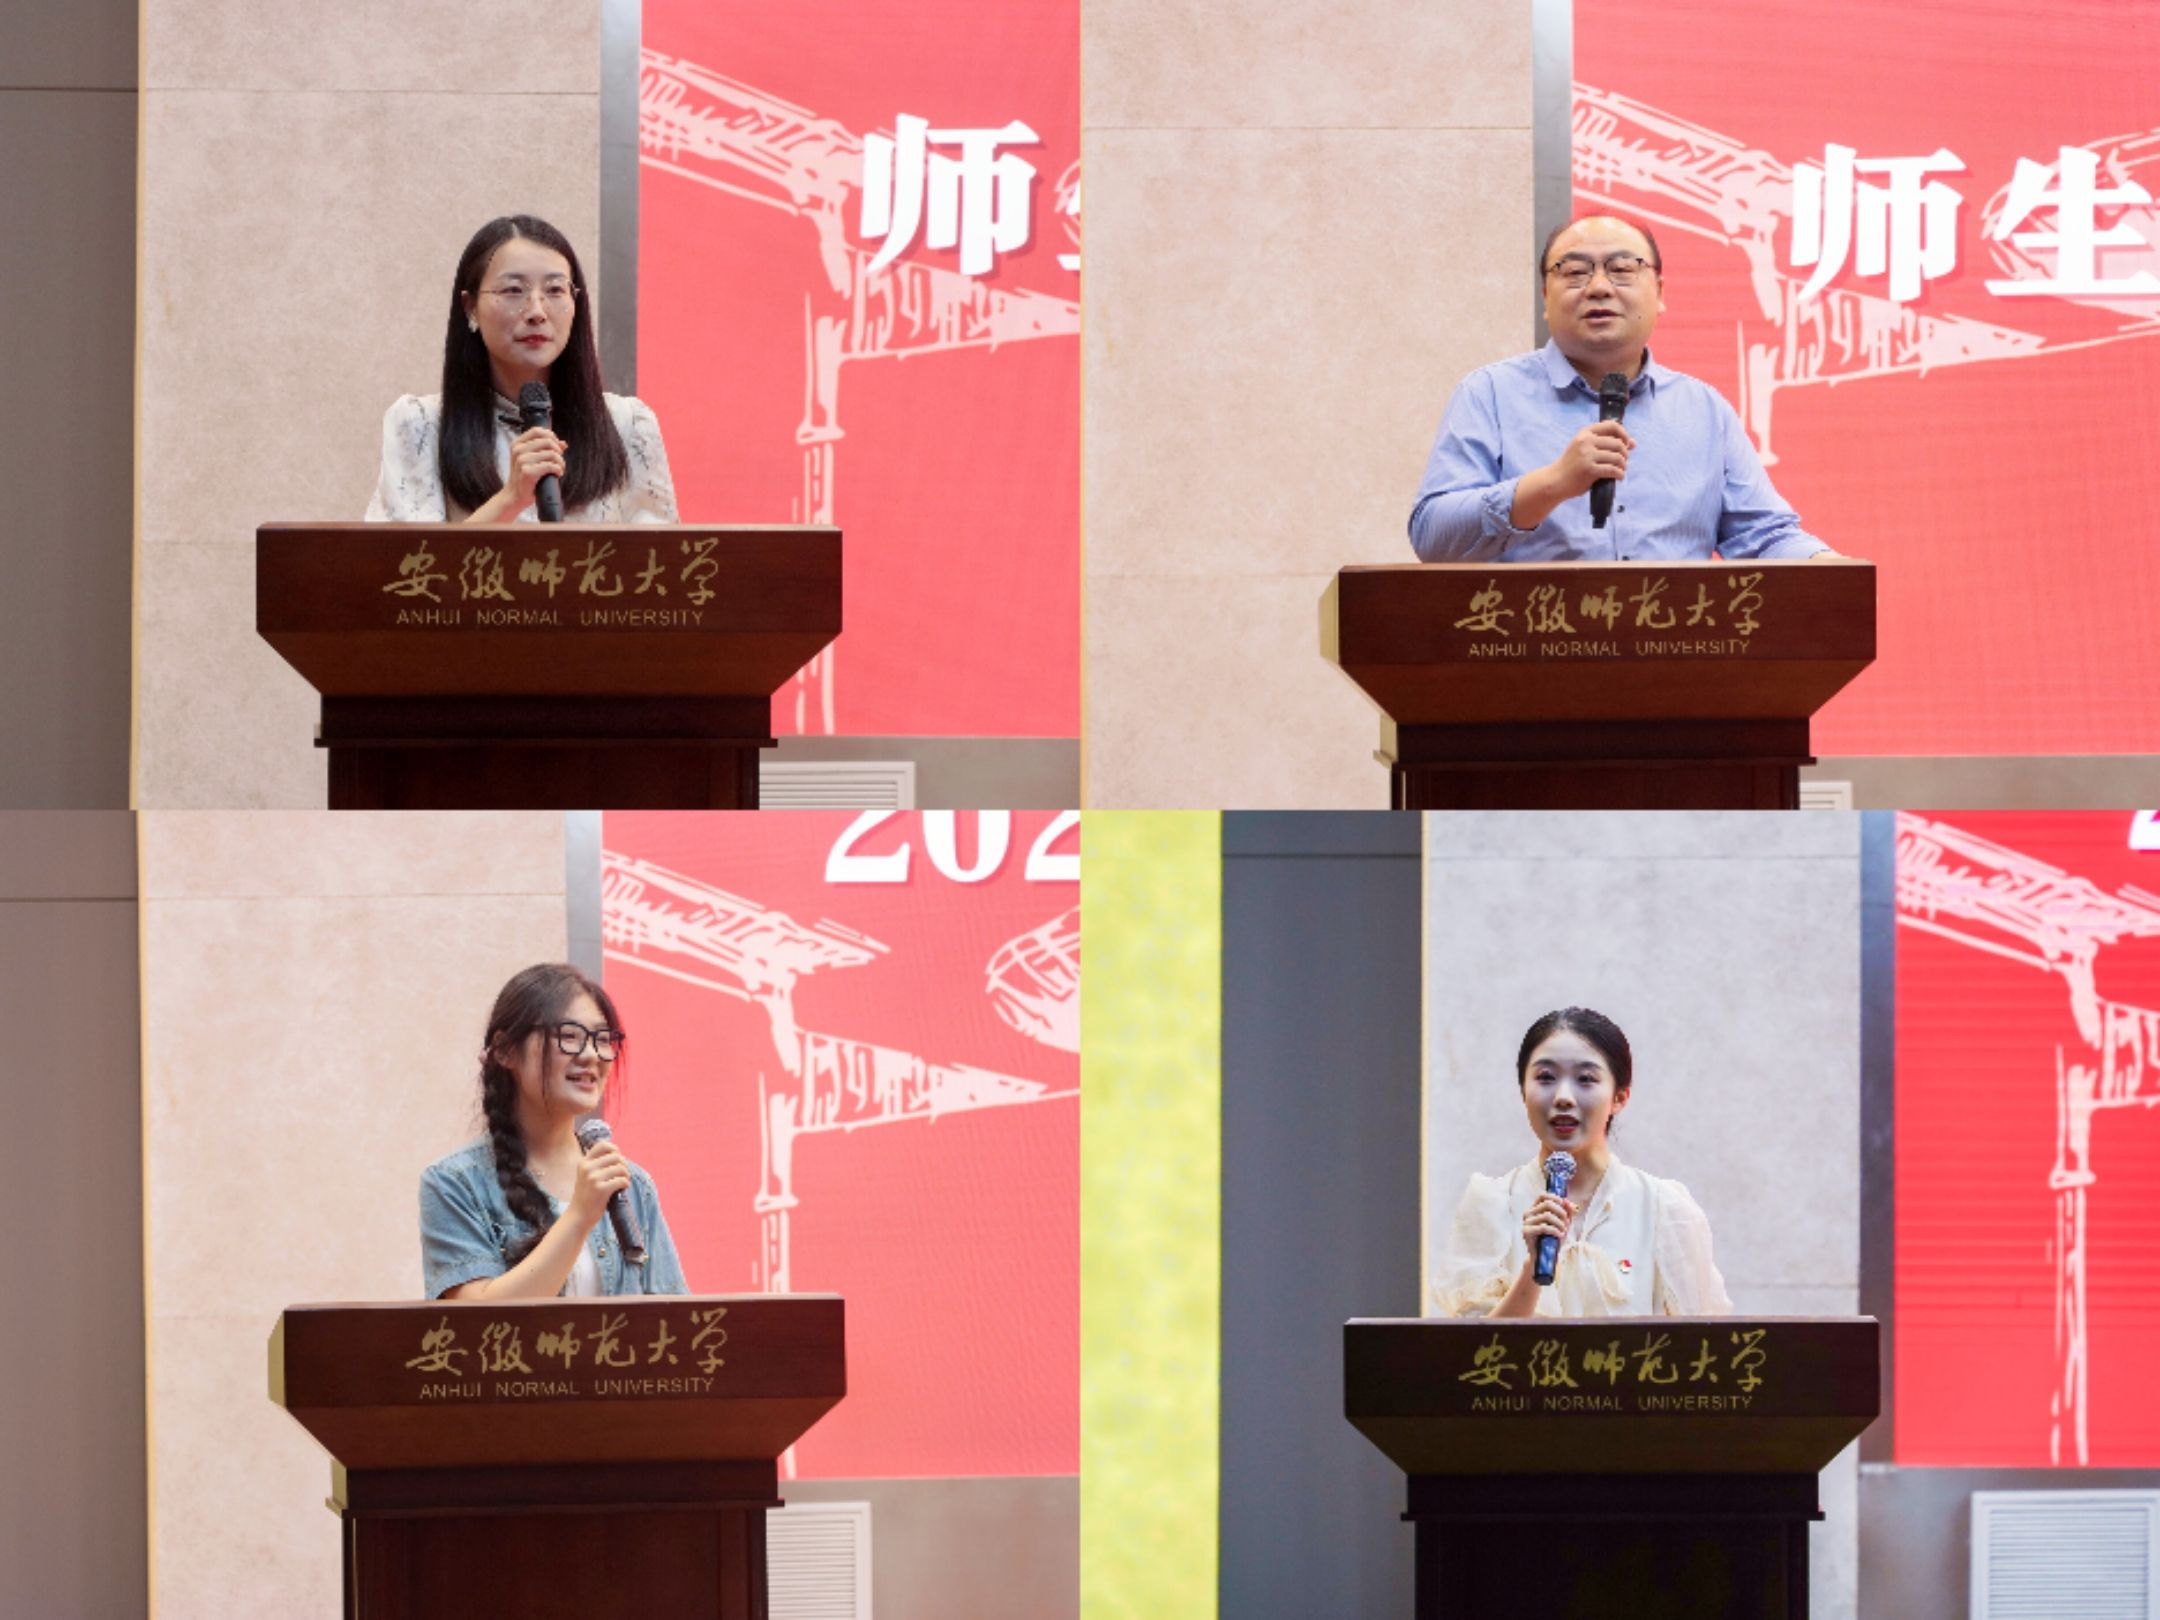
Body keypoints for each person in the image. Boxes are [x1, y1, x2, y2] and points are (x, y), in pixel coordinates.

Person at [1408, 214, 1843, 565]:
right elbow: (1433, 538)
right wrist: (1552, 484)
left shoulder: (1703, 408)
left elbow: (1763, 536)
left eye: (1621, 270)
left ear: (1659, 292)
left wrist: (1827, 564)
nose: (1598, 287)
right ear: (1545, 297)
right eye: (1574, 272)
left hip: (1672, 645)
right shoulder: (1489, 394)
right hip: (1532, 645)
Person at [366, 215, 678, 523]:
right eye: (513, 290)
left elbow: (662, 553)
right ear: (470, 306)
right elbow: (411, 555)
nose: (537, 311)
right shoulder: (421, 425)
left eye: (555, 290)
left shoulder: (628, 424)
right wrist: (510, 498)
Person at [1432, 1006, 1731, 1319]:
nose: (1563, 1097)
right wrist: (1532, 1269)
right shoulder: (1491, 1203)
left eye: (1585, 1079)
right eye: (1545, 1077)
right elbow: (1475, 1346)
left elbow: (1702, 1339)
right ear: (1523, 1091)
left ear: (1620, 1097)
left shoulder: (1663, 1208)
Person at [420, 962, 687, 1299]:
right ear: (505, 1050)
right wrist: (579, 1216)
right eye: (569, 1036)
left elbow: (675, 1318)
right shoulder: (456, 1184)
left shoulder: (632, 1186)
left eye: (603, 1039)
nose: (591, 1055)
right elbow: (478, 1320)